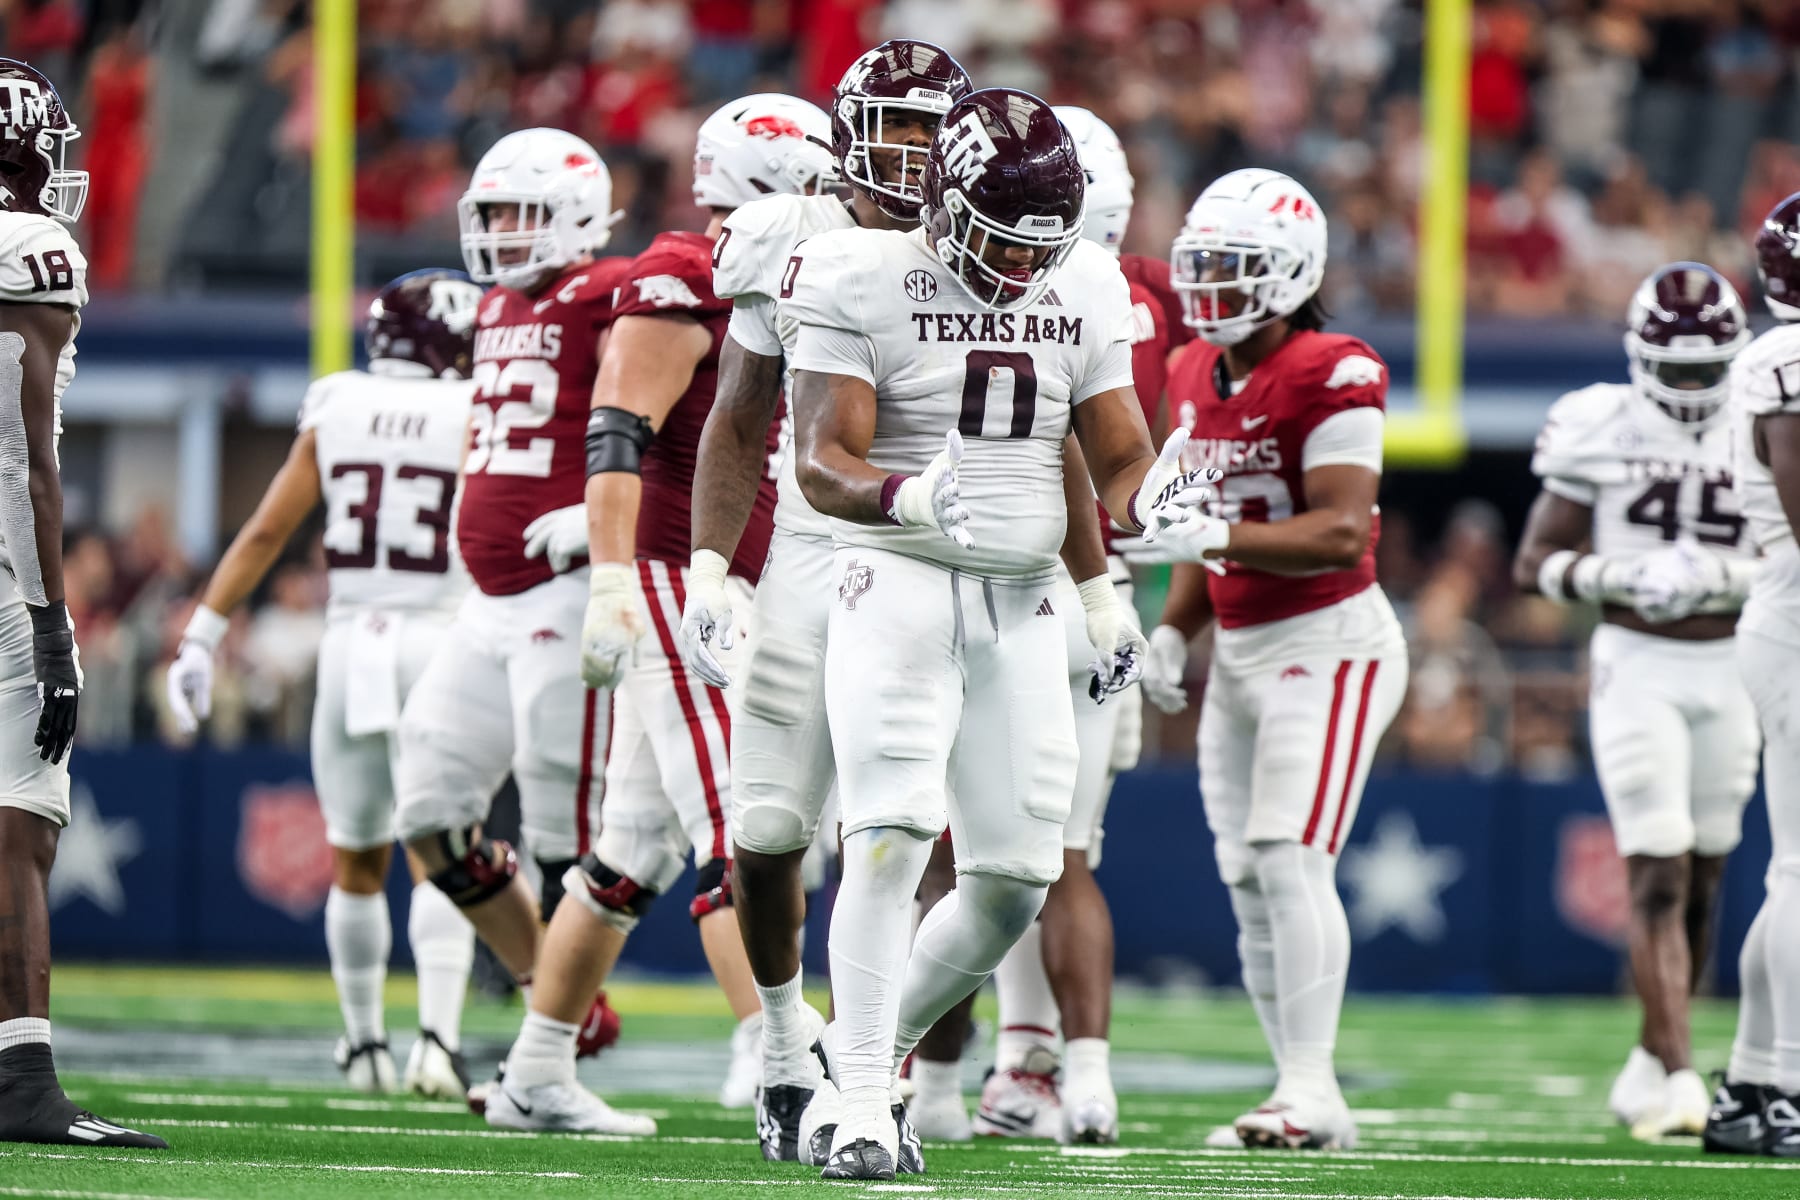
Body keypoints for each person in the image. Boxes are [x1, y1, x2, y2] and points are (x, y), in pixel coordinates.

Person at [782, 87, 1202, 1181]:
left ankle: (852, 1063)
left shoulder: (1088, 280)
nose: (1018, 268)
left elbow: (1113, 454)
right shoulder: (857, 272)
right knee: (889, 835)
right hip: (898, 574)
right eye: (997, 238)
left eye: (1037, 247)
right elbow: (820, 459)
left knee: (1014, 881)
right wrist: (904, 499)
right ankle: (871, 1105)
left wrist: (1159, 505)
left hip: (1027, 600)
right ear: (942, 199)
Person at [483, 94, 839, 1135]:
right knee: (750, 828)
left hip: (728, 575)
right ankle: (790, 1055)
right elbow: (615, 435)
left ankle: (535, 1071)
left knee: (630, 848)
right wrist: (609, 577)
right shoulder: (681, 276)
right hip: (683, 581)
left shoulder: (783, 273)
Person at [679, 38, 973, 1162]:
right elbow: (741, 416)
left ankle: (868, 1063)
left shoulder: (978, 243)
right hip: (809, 541)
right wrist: (713, 569)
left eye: (926, 131)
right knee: (765, 829)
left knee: (899, 827)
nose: (908, 154)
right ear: (844, 136)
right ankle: (782, 1040)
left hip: (929, 546)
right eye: (889, 126)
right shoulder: (787, 237)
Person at [1131, 168, 1408, 1152]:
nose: (1208, 286)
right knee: (1246, 872)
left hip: (1329, 640)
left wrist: (1210, 536)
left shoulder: (1335, 367)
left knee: (1291, 855)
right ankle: (1296, 1084)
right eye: (1200, 265)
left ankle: (1310, 1087)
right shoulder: (1186, 370)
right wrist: (1174, 628)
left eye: (1233, 267)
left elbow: (1339, 534)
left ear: (1293, 274)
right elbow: (1194, 532)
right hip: (1241, 647)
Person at [167, 269, 490, 1098]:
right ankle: (437, 1042)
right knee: (444, 856)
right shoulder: (475, 407)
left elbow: (272, 525)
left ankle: (363, 1046)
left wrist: (203, 632)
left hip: (350, 645)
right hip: (441, 641)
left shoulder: (338, 403)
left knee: (356, 858)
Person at [388, 128, 628, 1119]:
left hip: (567, 589)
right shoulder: (495, 303)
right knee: (428, 815)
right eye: (489, 216)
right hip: (488, 602)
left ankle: (550, 1064)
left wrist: (611, 505)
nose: (500, 235)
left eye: (521, 213)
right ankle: (562, 997)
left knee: (569, 835)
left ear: (576, 215)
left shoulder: (611, 292)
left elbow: (663, 406)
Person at [966, 103, 1191, 1149]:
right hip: (1111, 590)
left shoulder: (986, 279)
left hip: (1012, 577)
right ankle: (1058, 1066)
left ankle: (987, 1064)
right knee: (1059, 849)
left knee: (967, 843)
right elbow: (1170, 462)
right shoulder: (1148, 295)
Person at [1513, 262, 1759, 1140]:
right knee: (1656, 865)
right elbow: (1534, 561)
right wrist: (1622, 573)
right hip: (1636, 661)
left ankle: (1652, 1055)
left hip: (1735, 663)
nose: (1692, 388)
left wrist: (1723, 577)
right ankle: (1684, 1071)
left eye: (1707, 369)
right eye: (1677, 369)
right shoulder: (1602, 421)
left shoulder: (1764, 420)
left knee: (1707, 871)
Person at [0, 57, 164, 1149]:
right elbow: (27, 464)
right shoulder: (30, 249)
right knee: (17, 827)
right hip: (4, 579)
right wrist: (56, 624)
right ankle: (21, 1081)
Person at [1708, 190, 1800, 1158]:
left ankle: (1754, 1080)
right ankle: (1788, 1085)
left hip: (1784, 608)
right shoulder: (1785, 357)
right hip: (1797, 606)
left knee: (1792, 871)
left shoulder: (1773, 352)